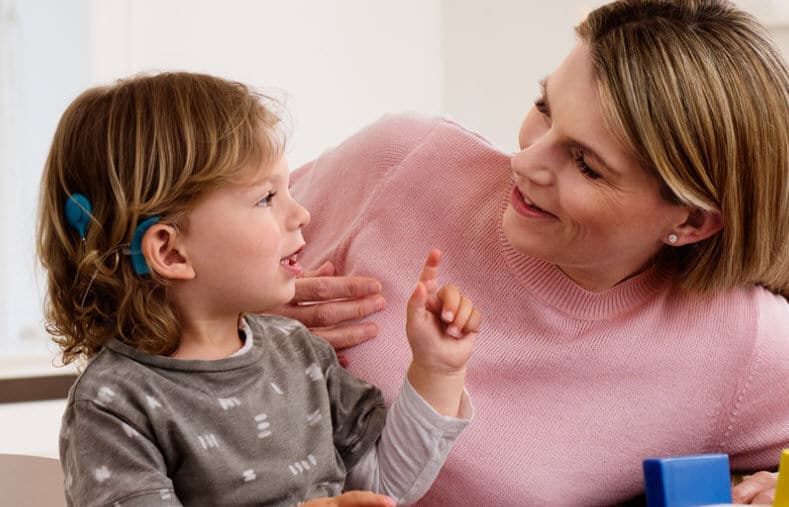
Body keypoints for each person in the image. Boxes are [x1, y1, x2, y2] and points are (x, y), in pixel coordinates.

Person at [278, 0, 789, 505]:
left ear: (692, 221)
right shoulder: (402, 156)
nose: (524, 162)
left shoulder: (738, 341)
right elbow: (202, 243)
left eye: (587, 164)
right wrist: (229, 322)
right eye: (545, 109)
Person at [36, 72, 482, 506]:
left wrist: (438, 371)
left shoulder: (298, 353)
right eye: (266, 198)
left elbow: (385, 482)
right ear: (171, 252)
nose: (301, 214)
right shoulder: (113, 408)